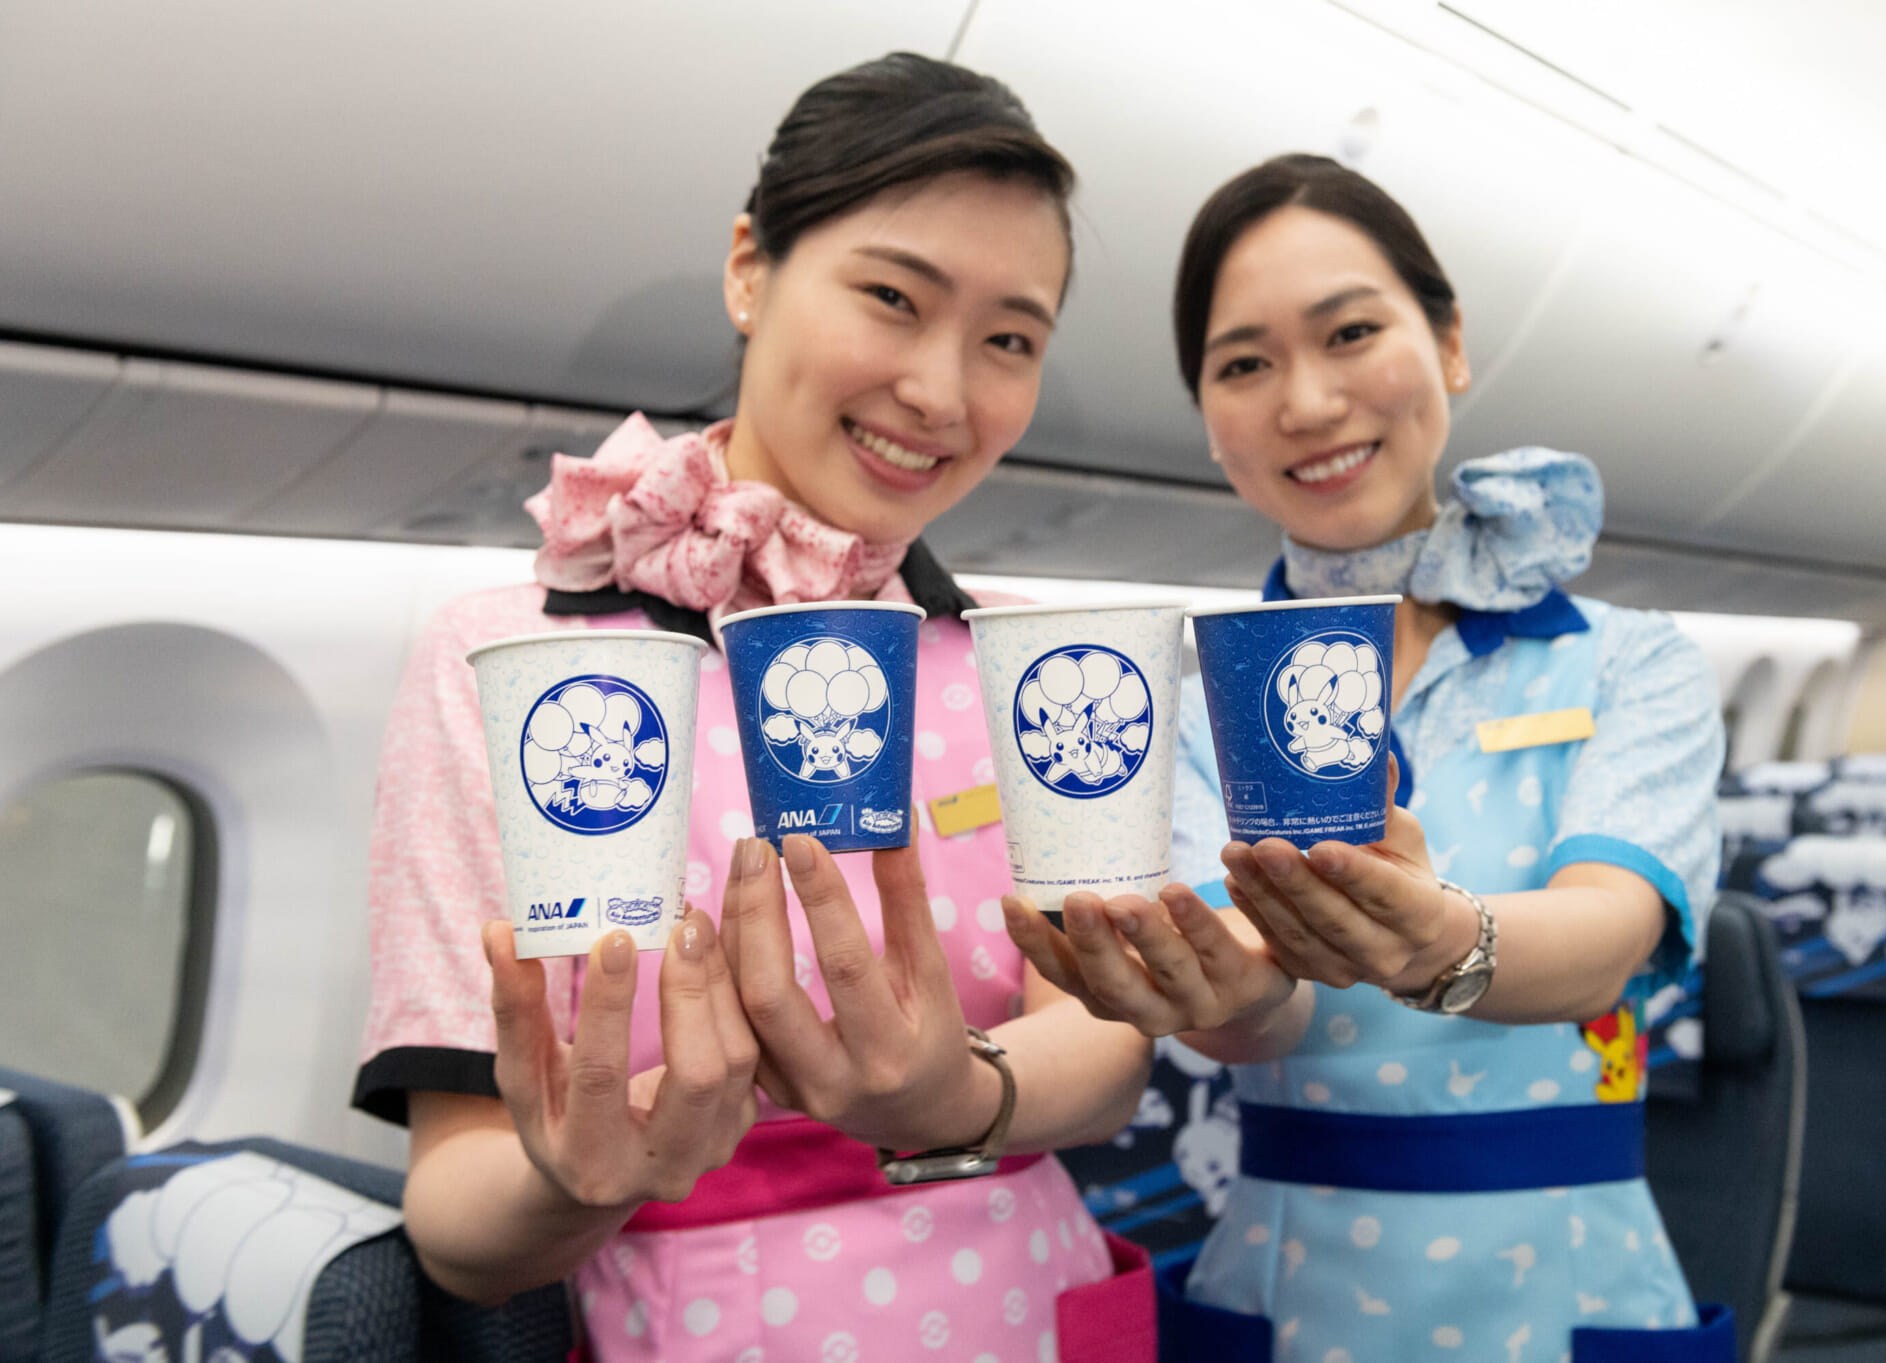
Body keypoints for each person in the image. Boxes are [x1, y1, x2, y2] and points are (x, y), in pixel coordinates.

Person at [353, 53, 1155, 1362]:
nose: (942, 391)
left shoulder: (1033, 658)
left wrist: (960, 1092)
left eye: (1008, 340)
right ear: (748, 270)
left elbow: (1107, 1046)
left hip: (1034, 1307)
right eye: (892, 297)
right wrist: (584, 1174)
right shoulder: (510, 659)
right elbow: (454, 1213)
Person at [1006, 154, 1732, 1360]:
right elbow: (1258, 1005)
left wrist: (1434, 937)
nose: (1304, 402)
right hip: (1288, 1282)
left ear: (1447, 344)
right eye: (1243, 364)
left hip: (1571, 1277)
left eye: (1348, 333)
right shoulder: (1177, 712)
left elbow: (1608, 938)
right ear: (1207, 419)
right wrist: (1219, 995)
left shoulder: (1625, 661)